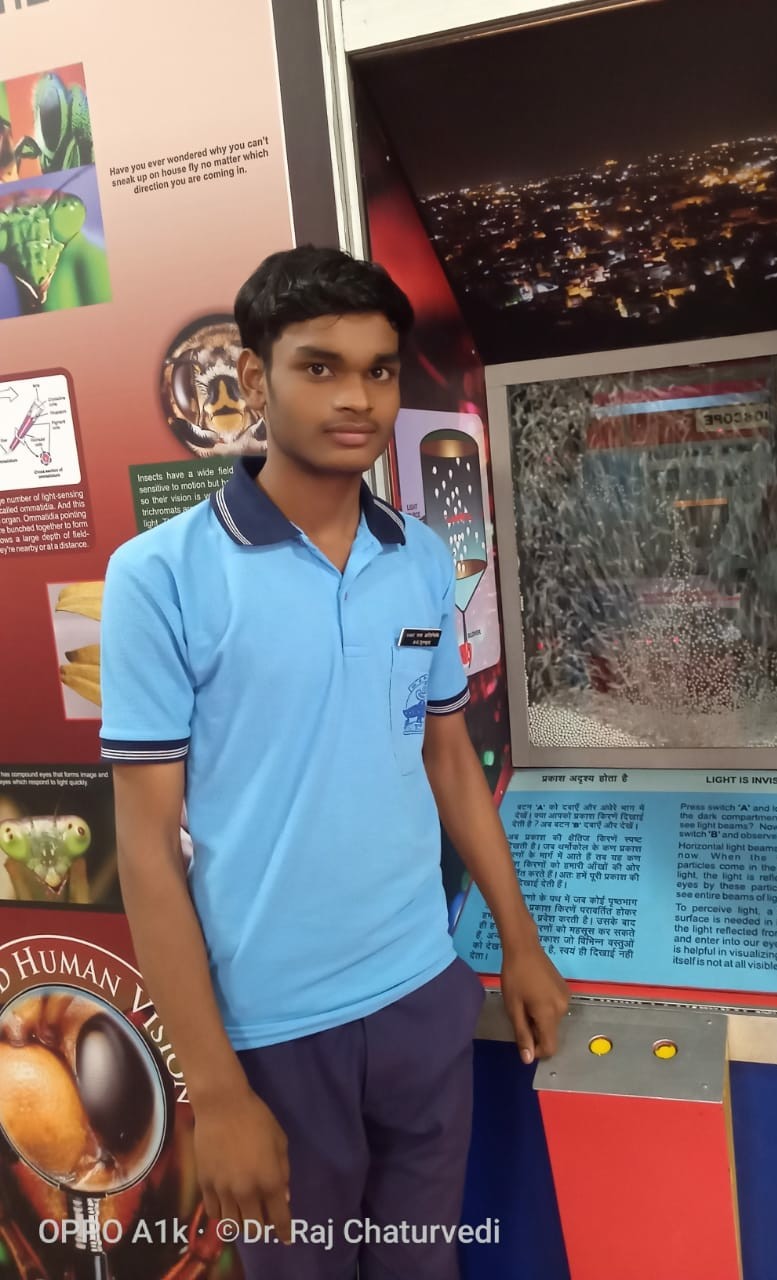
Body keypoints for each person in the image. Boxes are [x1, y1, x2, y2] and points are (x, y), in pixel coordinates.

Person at [99, 246, 569, 1280]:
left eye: (379, 369)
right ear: (254, 377)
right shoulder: (160, 576)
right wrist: (218, 1090)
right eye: (320, 367)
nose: (357, 397)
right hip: (274, 1028)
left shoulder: (421, 558)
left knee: (422, 1266)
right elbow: (145, 851)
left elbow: (449, 758)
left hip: (422, 995)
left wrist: (520, 943)